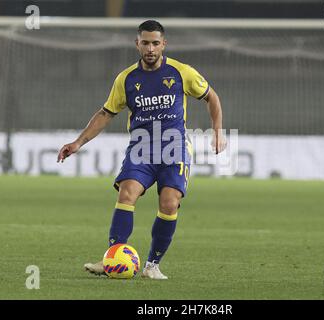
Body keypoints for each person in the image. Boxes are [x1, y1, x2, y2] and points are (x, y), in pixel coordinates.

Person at [57, 20, 226, 279]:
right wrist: (78, 142)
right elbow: (106, 113)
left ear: (163, 44)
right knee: (127, 194)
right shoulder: (126, 79)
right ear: (137, 44)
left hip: (174, 147)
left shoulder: (182, 72)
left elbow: (211, 96)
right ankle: (112, 258)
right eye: (145, 43)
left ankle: (151, 266)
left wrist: (217, 130)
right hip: (141, 148)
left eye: (155, 43)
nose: (150, 48)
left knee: (169, 204)